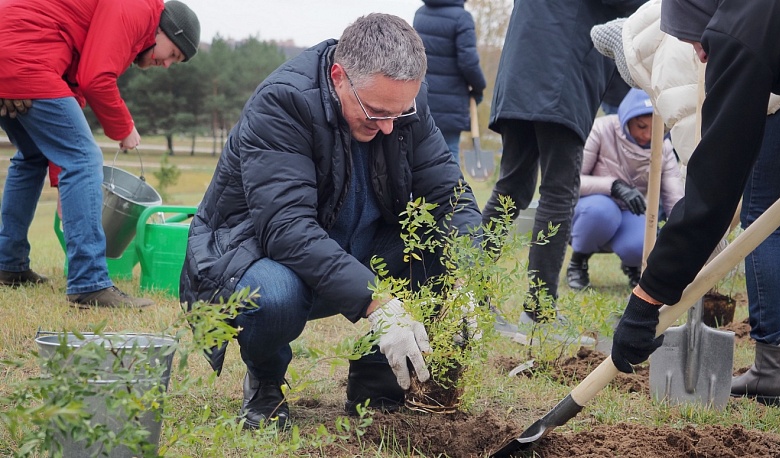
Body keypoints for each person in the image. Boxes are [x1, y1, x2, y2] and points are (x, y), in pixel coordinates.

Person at [179, 13, 482, 430]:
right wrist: (379, 305)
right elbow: (286, 230)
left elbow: (452, 197)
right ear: (339, 76)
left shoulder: (401, 105)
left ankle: (379, 382)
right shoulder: (282, 103)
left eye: (399, 112)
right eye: (375, 113)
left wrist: (466, 277)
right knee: (273, 297)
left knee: (443, 246)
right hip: (267, 256)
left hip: (360, 243)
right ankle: (266, 381)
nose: (390, 126)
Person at [610, 0, 780, 407]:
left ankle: (768, 365)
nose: (696, 50)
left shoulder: (740, 31)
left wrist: (647, 298)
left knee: (761, 223)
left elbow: (713, 185)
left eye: (692, 37)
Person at [0, 0, 200, 307]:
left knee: (33, 155)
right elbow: (96, 77)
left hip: (14, 48)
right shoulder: (137, 9)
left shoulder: (130, 17)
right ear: (163, 29)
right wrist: (124, 128)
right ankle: (89, 283)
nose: (168, 64)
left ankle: (8, 264)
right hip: (24, 52)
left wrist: (62, 182)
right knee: (84, 159)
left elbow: (75, 83)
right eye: (172, 53)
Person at [482, 0, 646, 329]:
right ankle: (540, 311)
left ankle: (467, 294)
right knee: (559, 190)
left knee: (513, 187)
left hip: (521, 67)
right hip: (560, 71)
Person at [566, 88, 683, 291]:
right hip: (592, 206)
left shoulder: (663, 148)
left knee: (644, 243)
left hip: (631, 212)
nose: (647, 135)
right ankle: (578, 260)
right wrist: (614, 186)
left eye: (654, 129)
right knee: (601, 212)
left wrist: (681, 232)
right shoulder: (602, 129)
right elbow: (570, 181)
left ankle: (634, 266)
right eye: (641, 126)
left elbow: (674, 197)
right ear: (627, 118)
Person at [413, 0, 487, 164]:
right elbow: (468, 63)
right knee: (449, 153)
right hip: (450, 104)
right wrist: (479, 86)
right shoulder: (462, 18)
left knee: (419, 154)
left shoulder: (420, 14)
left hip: (422, 99)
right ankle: (452, 190)